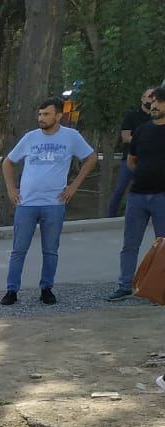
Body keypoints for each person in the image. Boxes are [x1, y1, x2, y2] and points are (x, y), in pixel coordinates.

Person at [0, 97, 97, 306]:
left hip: (54, 203)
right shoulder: (30, 138)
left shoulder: (71, 137)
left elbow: (91, 158)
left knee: (50, 249)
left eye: (46, 114)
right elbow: (8, 162)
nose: (41, 118)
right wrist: (11, 188)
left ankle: (46, 288)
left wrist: (74, 185)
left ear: (59, 116)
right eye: (40, 114)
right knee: (19, 249)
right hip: (26, 203)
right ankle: (11, 290)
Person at [109, 85, 165, 301]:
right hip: (138, 195)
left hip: (162, 196)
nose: (153, 105)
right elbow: (132, 161)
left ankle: (159, 288)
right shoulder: (142, 130)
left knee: (163, 245)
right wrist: (146, 173)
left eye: (158, 101)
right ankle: (124, 285)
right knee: (130, 243)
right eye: (152, 101)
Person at [108, 89, 156, 217]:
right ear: (142, 98)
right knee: (120, 188)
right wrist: (145, 139)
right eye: (149, 96)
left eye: (154, 97)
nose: (151, 99)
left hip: (150, 160)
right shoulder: (131, 115)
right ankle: (109, 217)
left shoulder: (157, 117)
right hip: (131, 157)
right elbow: (125, 137)